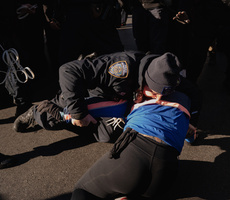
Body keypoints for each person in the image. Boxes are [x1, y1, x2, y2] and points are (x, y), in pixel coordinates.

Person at [71, 52, 196, 200]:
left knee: (82, 191)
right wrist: (188, 133)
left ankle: (127, 193)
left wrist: (70, 113)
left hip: (132, 160)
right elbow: (191, 134)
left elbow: (90, 108)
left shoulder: (133, 99)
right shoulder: (185, 101)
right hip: (166, 174)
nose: (158, 97)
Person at [13, 51, 201, 144]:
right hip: (98, 94)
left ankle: (94, 125)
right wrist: (79, 113)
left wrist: (190, 120)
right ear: (146, 80)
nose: (159, 98)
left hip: (125, 100)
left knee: (109, 135)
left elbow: (193, 92)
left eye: (164, 93)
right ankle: (37, 112)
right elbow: (67, 70)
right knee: (58, 117)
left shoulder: (166, 72)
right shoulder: (121, 68)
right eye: (154, 93)